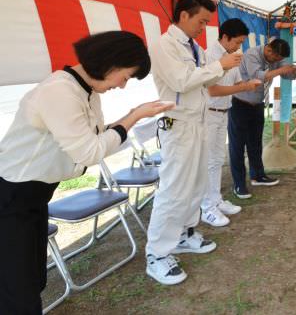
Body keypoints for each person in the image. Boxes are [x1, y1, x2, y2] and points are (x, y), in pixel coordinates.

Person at [0, 31, 171, 313]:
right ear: (111, 64)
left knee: (32, 279)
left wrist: (131, 116)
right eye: (126, 77)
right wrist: (134, 116)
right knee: (18, 289)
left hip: (33, 194)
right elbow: (88, 152)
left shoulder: (84, 90)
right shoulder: (59, 90)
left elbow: (93, 137)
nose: (123, 84)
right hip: (12, 195)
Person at [145, 0, 242, 285]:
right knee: (174, 189)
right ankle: (157, 253)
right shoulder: (164, 46)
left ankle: (185, 234)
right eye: (201, 21)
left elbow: (202, 80)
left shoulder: (194, 47)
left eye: (207, 23)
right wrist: (218, 66)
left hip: (197, 121)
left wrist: (222, 68)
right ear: (184, 15)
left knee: (196, 184)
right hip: (178, 125)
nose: (203, 27)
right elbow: (181, 81)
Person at [200, 19, 262, 227]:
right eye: (236, 42)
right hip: (208, 113)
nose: (238, 47)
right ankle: (206, 207)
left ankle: (216, 200)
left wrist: (247, 84)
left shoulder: (231, 57)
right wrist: (242, 88)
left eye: (241, 43)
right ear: (225, 37)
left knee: (217, 159)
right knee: (209, 161)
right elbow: (213, 90)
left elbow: (236, 82)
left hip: (223, 112)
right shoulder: (209, 57)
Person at [229, 38, 296, 199]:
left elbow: (286, 75)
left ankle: (257, 176)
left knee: (255, 143)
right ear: (269, 50)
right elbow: (258, 76)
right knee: (237, 147)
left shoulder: (275, 57)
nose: (277, 62)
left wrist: (293, 72)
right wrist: (282, 70)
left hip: (257, 104)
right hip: (240, 104)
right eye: (276, 59)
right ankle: (239, 184)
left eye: (280, 60)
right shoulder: (252, 54)